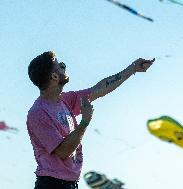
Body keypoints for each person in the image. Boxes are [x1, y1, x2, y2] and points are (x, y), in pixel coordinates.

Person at [26, 51, 155, 189]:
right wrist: (84, 122)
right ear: (54, 76)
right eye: (61, 66)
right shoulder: (38, 113)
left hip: (68, 183)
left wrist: (133, 68)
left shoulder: (65, 100)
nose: (65, 67)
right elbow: (63, 152)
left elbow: (99, 89)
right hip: (52, 184)